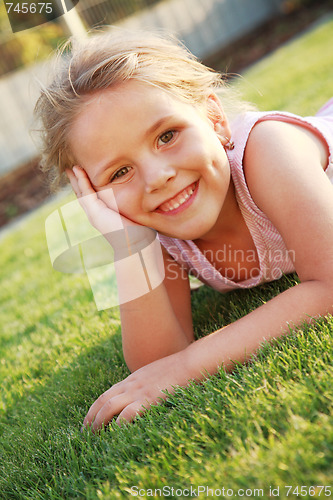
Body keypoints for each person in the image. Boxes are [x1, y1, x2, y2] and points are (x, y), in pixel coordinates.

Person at [35, 29, 333, 432]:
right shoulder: (150, 224)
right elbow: (156, 362)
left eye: (167, 135)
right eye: (120, 172)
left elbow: (328, 286)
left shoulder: (269, 149)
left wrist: (188, 366)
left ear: (214, 119)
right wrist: (131, 245)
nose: (157, 178)